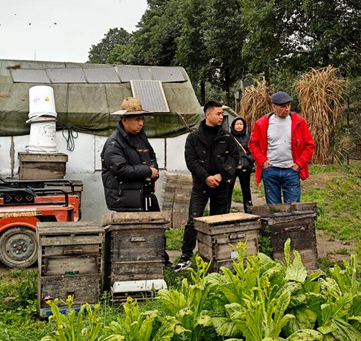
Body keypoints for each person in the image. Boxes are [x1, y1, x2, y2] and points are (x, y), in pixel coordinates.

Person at [101, 97, 169, 265]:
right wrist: (147, 171)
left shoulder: (140, 136)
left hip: (144, 194)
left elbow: (150, 156)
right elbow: (120, 169)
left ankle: (160, 259)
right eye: (137, 119)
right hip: (125, 197)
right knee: (130, 235)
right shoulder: (113, 143)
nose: (141, 123)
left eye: (142, 119)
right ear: (125, 120)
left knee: (155, 227)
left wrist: (153, 171)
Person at [176, 101, 239, 270]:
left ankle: (217, 255)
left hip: (221, 186)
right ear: (207, 114)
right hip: (201, 186)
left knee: (219, 221)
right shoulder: (194, 137)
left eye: (222, 114)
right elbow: (191, 161)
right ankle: (186, 255)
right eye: (218, 114)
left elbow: (234, 158)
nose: (221, 117)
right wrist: (205, 177)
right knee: (193, 220)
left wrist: (221, 175)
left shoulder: (226, 137)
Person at [248, 91, 315, 205]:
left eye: (288, 105)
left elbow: (309, 145)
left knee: (293, 208)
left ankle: (292, 223)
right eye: (283, 106)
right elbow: (252, 144)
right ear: (274, 106)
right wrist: (262, 161)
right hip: (271, 170)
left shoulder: (299, 122)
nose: (287, 109)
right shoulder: (262, 123)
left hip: (291, 170)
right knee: (274, 208)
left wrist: (299, 164)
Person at [229, 116, 255, 212]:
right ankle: (226, 209)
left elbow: (253, 151)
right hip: (232, 167)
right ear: (233, 126)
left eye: (241, 124)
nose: (239, 126)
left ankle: (248, 209)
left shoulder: (248, 137)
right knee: (228, 189)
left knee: (246, 189)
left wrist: (249, 160)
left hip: (245, 167)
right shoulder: (229, 137)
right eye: (237, 124)